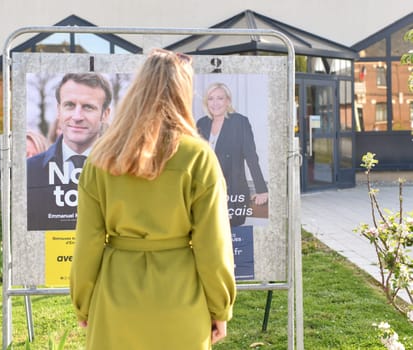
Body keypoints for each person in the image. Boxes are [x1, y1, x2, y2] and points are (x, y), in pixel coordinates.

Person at [70, 49, 236, 350]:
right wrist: (220, 308)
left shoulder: (101, 157)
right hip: (181, 297)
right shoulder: (198, 156)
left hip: (115, 298)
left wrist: (83, 302)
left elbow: (88, 242)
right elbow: (213, 245)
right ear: (183, 92)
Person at [26, 73, 112, 230]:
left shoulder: (123, 169)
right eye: (70, 105)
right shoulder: (29, 171)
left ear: (105, 115)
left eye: (88, 107)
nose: (77, 116)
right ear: (59, 111)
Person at [196, 82, 268, 226]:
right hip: (206, 193)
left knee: (233, 236)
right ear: (206, 102)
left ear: (228, 101)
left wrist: (261, 190)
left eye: (220, 98)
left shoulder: (239, 122)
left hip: (234, 192)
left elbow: (251, 158)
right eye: (211, 98)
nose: (215, 103)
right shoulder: (201, 124)